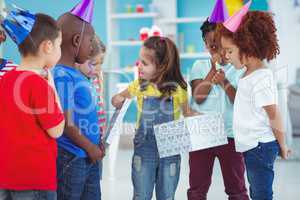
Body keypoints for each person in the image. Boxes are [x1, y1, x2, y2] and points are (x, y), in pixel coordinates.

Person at [217, 10, 291, 200]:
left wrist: (282, 144)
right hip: (252, 147)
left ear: (248, 48)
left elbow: (274, 114)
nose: (226, 56)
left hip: (260, 147)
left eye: (230, 51)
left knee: (261, 194)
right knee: (256, 191)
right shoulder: (248, 76)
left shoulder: (261, 78)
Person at [112, 36, 196, 200]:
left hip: (170, 149)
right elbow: (117, 98)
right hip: (145, 150)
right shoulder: (139, 86)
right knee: (141, 194)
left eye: (144, 63)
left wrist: (202, 118)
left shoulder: (178, 89)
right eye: (139, 61)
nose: (139, 66)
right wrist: (117, 100)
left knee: (167, 195)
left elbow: (188, 113)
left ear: (162, 66)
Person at [0, 10, 65, 200]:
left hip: (6, 177)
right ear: (48, 46)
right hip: (34, 180)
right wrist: (52, 88)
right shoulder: (39, 84)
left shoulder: (5, 79)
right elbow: (57, 130)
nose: (60, 51)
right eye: (59, 45)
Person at [187, 18, 249, 200]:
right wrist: (212, 71)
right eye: (212, 46)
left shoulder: (239, 68)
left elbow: (239, 101)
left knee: (236, 185)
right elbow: (198, 97)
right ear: (205, 45)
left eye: (221, 46)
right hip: (202, 133)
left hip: (231, 134)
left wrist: (224, 82)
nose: (219, 51)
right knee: (197, 186)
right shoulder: (200, 66)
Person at [52, 1, 104, 199]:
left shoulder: (77, 75)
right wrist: (90, 147)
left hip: (87, 156)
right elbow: (67, 123)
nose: (91, 47)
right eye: (90, 41)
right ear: (76, 40)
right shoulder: (61, 75)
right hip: (72, 158)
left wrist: (96, 144)